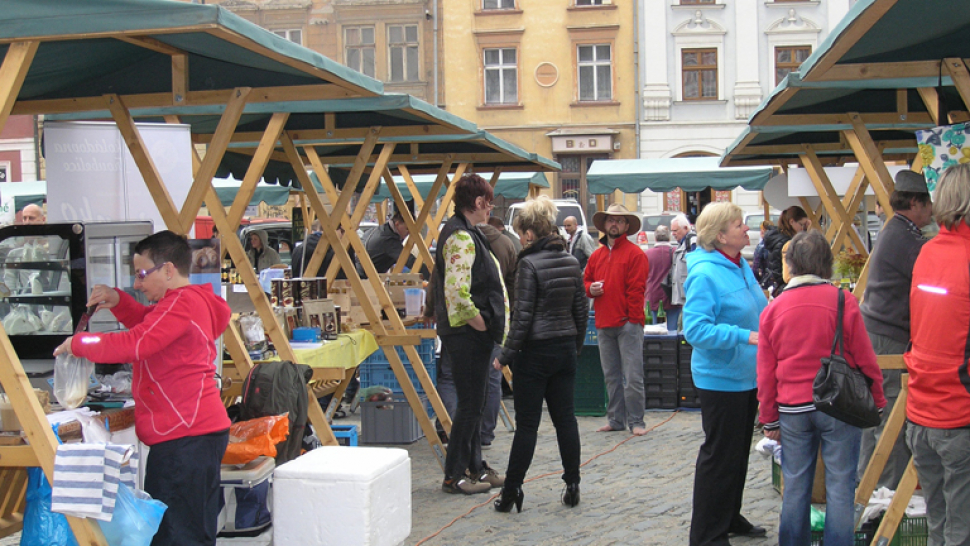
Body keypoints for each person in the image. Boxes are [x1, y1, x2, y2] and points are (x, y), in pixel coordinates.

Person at [53, 230, 230, 546]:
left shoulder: (181, 304)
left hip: (184, 437)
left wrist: (79, 343)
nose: (136, 284)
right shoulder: (187, 301)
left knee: (177, 535)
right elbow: (150, 324)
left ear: (168, 270)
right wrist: (119, 301)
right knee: (190, 529)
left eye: (141, 274)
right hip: (196, 433)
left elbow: (137, 342)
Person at [758, 230, 886, 546]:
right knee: (841, 487)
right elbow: (864, 357)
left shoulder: (774, 309)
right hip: (838, 403)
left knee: (796, 486)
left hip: (792, 407)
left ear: (791, 265)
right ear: (827, 264)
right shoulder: (843, 301)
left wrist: (769, 418)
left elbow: (765, 371)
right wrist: (878, 398)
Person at [492, 196, 588, 513]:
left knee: (528, 425)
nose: (520, 239)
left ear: (530, 234)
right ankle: (572, 484)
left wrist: (504, 356)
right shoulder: (572, 262)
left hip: (534, 353)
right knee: (565, 420)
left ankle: (511, 491)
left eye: (521, 234)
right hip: (564, 348)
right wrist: (572, 347)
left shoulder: (528, 264)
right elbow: (580, 312)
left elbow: (522, 318)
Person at [683, 202, 768, 546]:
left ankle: (729, 515)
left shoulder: (739, 264)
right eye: (739, 225)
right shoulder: (704, 273)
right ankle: (707, 534)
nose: (746, 230)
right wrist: (744, 335)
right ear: (720, 236)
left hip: (746, 375)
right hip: (721, 379)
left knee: (738, 455)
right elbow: (696, 330)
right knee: (719, 457)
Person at [904, 163, 970, 546]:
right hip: (957, 413)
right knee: (960, 532)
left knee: (940, 529)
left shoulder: (928, 253)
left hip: (923, 411)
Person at [857, 169, 932, 489]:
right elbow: (930, 276)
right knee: (890, 419)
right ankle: (884, 495)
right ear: (915, 203)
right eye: (928, 204)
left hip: (880, 332)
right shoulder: (904, 236)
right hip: (887, 337)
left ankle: (867, 486)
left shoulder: (897, 230)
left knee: (877, 416)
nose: (932, 211)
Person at [434, 173, 508, 495]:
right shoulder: (461, 237)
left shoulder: (466, 232)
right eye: (489, 202)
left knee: (474, 403)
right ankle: (454, 476)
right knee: (469, 405)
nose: (490, 208)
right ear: (478, 203)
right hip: (467, 334)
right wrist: (482, 325)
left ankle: (476, 467)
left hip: (468, 334)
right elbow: (457, 294)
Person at [584, 204, 649, 436]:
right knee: (611, 376)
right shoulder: (596, 255)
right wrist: (591, 289)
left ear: (626, 226)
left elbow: (637, 290)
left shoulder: (635, 254)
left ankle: (636, 421)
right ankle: (615, 419)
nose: (614, 224)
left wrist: (632, 320)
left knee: (632, 377)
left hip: (627, 323)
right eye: (611, 220)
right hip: (603, 322)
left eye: (619, 220)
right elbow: (585, 282)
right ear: (605, 225)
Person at [478, 219, 517, 450]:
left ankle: (471, 431)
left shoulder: (466, 240)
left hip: (474, 320)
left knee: (470, 378)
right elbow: (513, 281)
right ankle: (486, 433)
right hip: (500, 317)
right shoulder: (506, 243)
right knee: (493, 377)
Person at [361, 210, 428, 279]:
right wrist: (432, 274)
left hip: (363, 273)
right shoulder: (388, 239)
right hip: (366, 279)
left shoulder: (379, 230)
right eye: (407, 229)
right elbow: (407, 259)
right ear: (397, 224)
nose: (409, 233)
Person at [763, 206, 809, 296]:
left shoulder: (780, 238)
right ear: (792, 222)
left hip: (780, 287)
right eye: (802, 224)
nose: (803, 228)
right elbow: (785, 275)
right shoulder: (786, 242)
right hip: (786, 288)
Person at [291, 221, 356, 280]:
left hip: (302, 291)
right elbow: (347, 278)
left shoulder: (297, 250)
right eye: (342, 231)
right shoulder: (334, 252)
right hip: (329, 291)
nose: (342, 235)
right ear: (334, 231)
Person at [644, 225, 677, 329]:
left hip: (653, 295)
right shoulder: (676, 253)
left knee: (654, 331)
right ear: (669, 237)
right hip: (673, 295)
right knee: (673, 330)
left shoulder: (647, 254)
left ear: (655, 238)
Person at [669, 213, 696, 328]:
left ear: (685, 228)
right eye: (672, 231)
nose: (673, 234)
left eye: (676, 230)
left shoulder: (693, 241)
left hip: (691, 296)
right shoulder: (683, 243)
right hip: (685, 297)